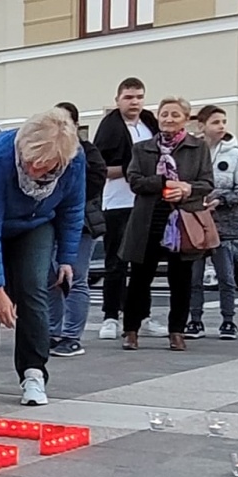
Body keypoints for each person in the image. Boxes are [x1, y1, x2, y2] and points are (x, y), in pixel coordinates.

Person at [0, 109, 84, 406]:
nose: (33, 170)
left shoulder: (74, 161)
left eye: (43, 166)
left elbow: (73, 209)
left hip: (35, 223)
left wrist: (66, 257)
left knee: (33, 289)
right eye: (28, 162)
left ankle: (33, 373)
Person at [121, 97, 214, 352]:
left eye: (175, 115)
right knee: (140, 278)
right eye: (164, 114)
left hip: (183, 218)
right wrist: (163, 183)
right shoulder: (142, 148)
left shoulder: (198, 147)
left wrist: (186, 189)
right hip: (149, 218)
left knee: (181, 279)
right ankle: (131, 330)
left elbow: (207, 183)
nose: (168, 119)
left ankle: (177, 331)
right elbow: (135, 181)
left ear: (185, 118)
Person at [92, 78, 160, 340]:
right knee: (115, 263)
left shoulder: (149, 124)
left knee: (144, 263)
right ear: (118, 99)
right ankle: (111, 316)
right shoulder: (110, 128)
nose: (135, 102)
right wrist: (133, 169)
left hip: (146, 203)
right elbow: (101, 169)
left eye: (139, 97)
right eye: (129, 97)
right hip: (118, 202)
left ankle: (143, 316)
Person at [185, 105, 238, 340]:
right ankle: (195, 320)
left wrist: (221, 199)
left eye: (223, 121)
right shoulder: (191, 151)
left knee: (226, 274)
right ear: (201, 126)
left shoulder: (236, 154)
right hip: (195, 220)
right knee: (194, 275)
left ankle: (228, 320)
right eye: (215, 122)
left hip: (223, 224)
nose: (221, 126)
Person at [47, 102, 106, 357]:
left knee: (76, 278)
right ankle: (51, 332)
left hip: (82, 222)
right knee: (51, 277)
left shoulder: (86, 151)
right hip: (52, 221)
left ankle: (72, 335)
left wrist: (72, 197)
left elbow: (96, 179)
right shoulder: (48, 149)